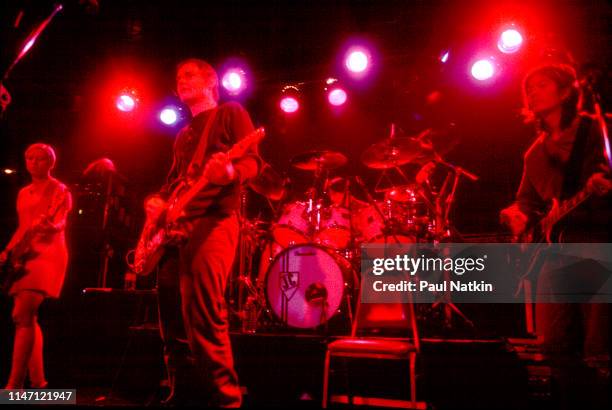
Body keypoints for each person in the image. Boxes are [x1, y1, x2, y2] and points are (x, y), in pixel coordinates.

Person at [500, 63, 610, 408]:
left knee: (599, 347)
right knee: (555, 346)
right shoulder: (533, 153)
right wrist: (515, 216)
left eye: (542, 85)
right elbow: (526, 202)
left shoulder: (596, 130)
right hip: (556, 250)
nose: (532, 92)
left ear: (566, 92)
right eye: (528, 88)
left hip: (597, 241)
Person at [154, 58, 260, 407]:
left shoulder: (230, 112)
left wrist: (229, 172)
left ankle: (226, 400)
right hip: (176, 230)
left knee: (203, 314)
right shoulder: (183, 134)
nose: (180, 79)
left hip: (214, 221)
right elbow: (173, 184)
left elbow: (252, 162)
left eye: (188, 74)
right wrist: (154, 205)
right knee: (171, 316)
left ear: (211, 81)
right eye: (177, 75)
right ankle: (181, 392)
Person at [0, 143, 72, 389]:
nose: (34, 163)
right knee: (26, 318)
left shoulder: (59, 189)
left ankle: (14, 385)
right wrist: (7, 250)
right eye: (29, 158)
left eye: (40, 159)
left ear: (51, 162)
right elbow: (23, 226)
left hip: (49, 253)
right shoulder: (23, 193)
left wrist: (51, 227)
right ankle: (38, 382)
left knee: (22, 314)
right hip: (26, 253)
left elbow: (60, 221)